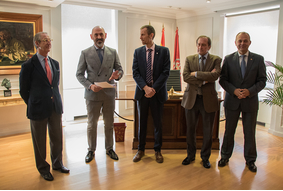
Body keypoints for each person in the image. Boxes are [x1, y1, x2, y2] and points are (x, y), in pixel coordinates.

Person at [19, 32, 69, 181]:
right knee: (39, 141)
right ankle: (43, 168)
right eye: (45, 40)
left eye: (49, 40)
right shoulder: (28, 65)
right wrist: (34, 102)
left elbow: (54, 85)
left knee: (57, 138)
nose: (48, 43)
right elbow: (23, 90)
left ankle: (57, 164)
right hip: (37, 108)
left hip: (55, 106)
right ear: (37, 44)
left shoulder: (54, 63)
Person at [218, 32, 267, 172]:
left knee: (250, 132)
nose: (242, 43)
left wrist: (250, 91)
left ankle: (250, 161)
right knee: (229, 131)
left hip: (250, 102)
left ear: (250, 43)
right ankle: (225, 157)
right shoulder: (228, 59)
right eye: (240, 41)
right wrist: (234, 90)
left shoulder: (258, 59)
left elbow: (262, 80)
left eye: (245, 41)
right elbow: (223, 79)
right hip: (232, 101)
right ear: (235, 42)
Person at [76, 26, 123, 163]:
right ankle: (91, 150)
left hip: (108, 94)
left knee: (109, 123)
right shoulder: (85, 53)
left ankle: (109, 148)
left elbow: (120, 69)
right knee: (92, 124)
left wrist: (117, 74)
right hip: (93, 95)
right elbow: (79, 74)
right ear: (91, 36)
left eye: (101, 34)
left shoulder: (112, 52)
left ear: (105, 35)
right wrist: (90, 86)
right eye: (96, 35)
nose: (99, 37)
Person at [181, 35, 222, 168]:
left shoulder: (216, 59)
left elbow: (215, 76)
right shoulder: (189, 59)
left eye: (204, 45)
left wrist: (197, 74)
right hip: (191, 100)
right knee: (190, 130)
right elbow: (186, 77)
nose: (200, 47)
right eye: (199, 44)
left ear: (209, 46)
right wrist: (205, 79)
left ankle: (205, 158)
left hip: (208, 101)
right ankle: (190, 155)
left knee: (207, 131)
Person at [132, 25, 170, 163]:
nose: (140, 37)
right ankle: (140, 149)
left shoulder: (164, 51)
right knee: (142, 123)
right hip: (142, 94)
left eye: (143, 34)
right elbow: (135, 72)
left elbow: (166, 72)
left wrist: (153, 89)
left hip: (157, 93)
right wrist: (145, 88)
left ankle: (157, 150)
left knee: (158, 123)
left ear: (151, 35)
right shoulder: (137, 52)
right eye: (140, 34)